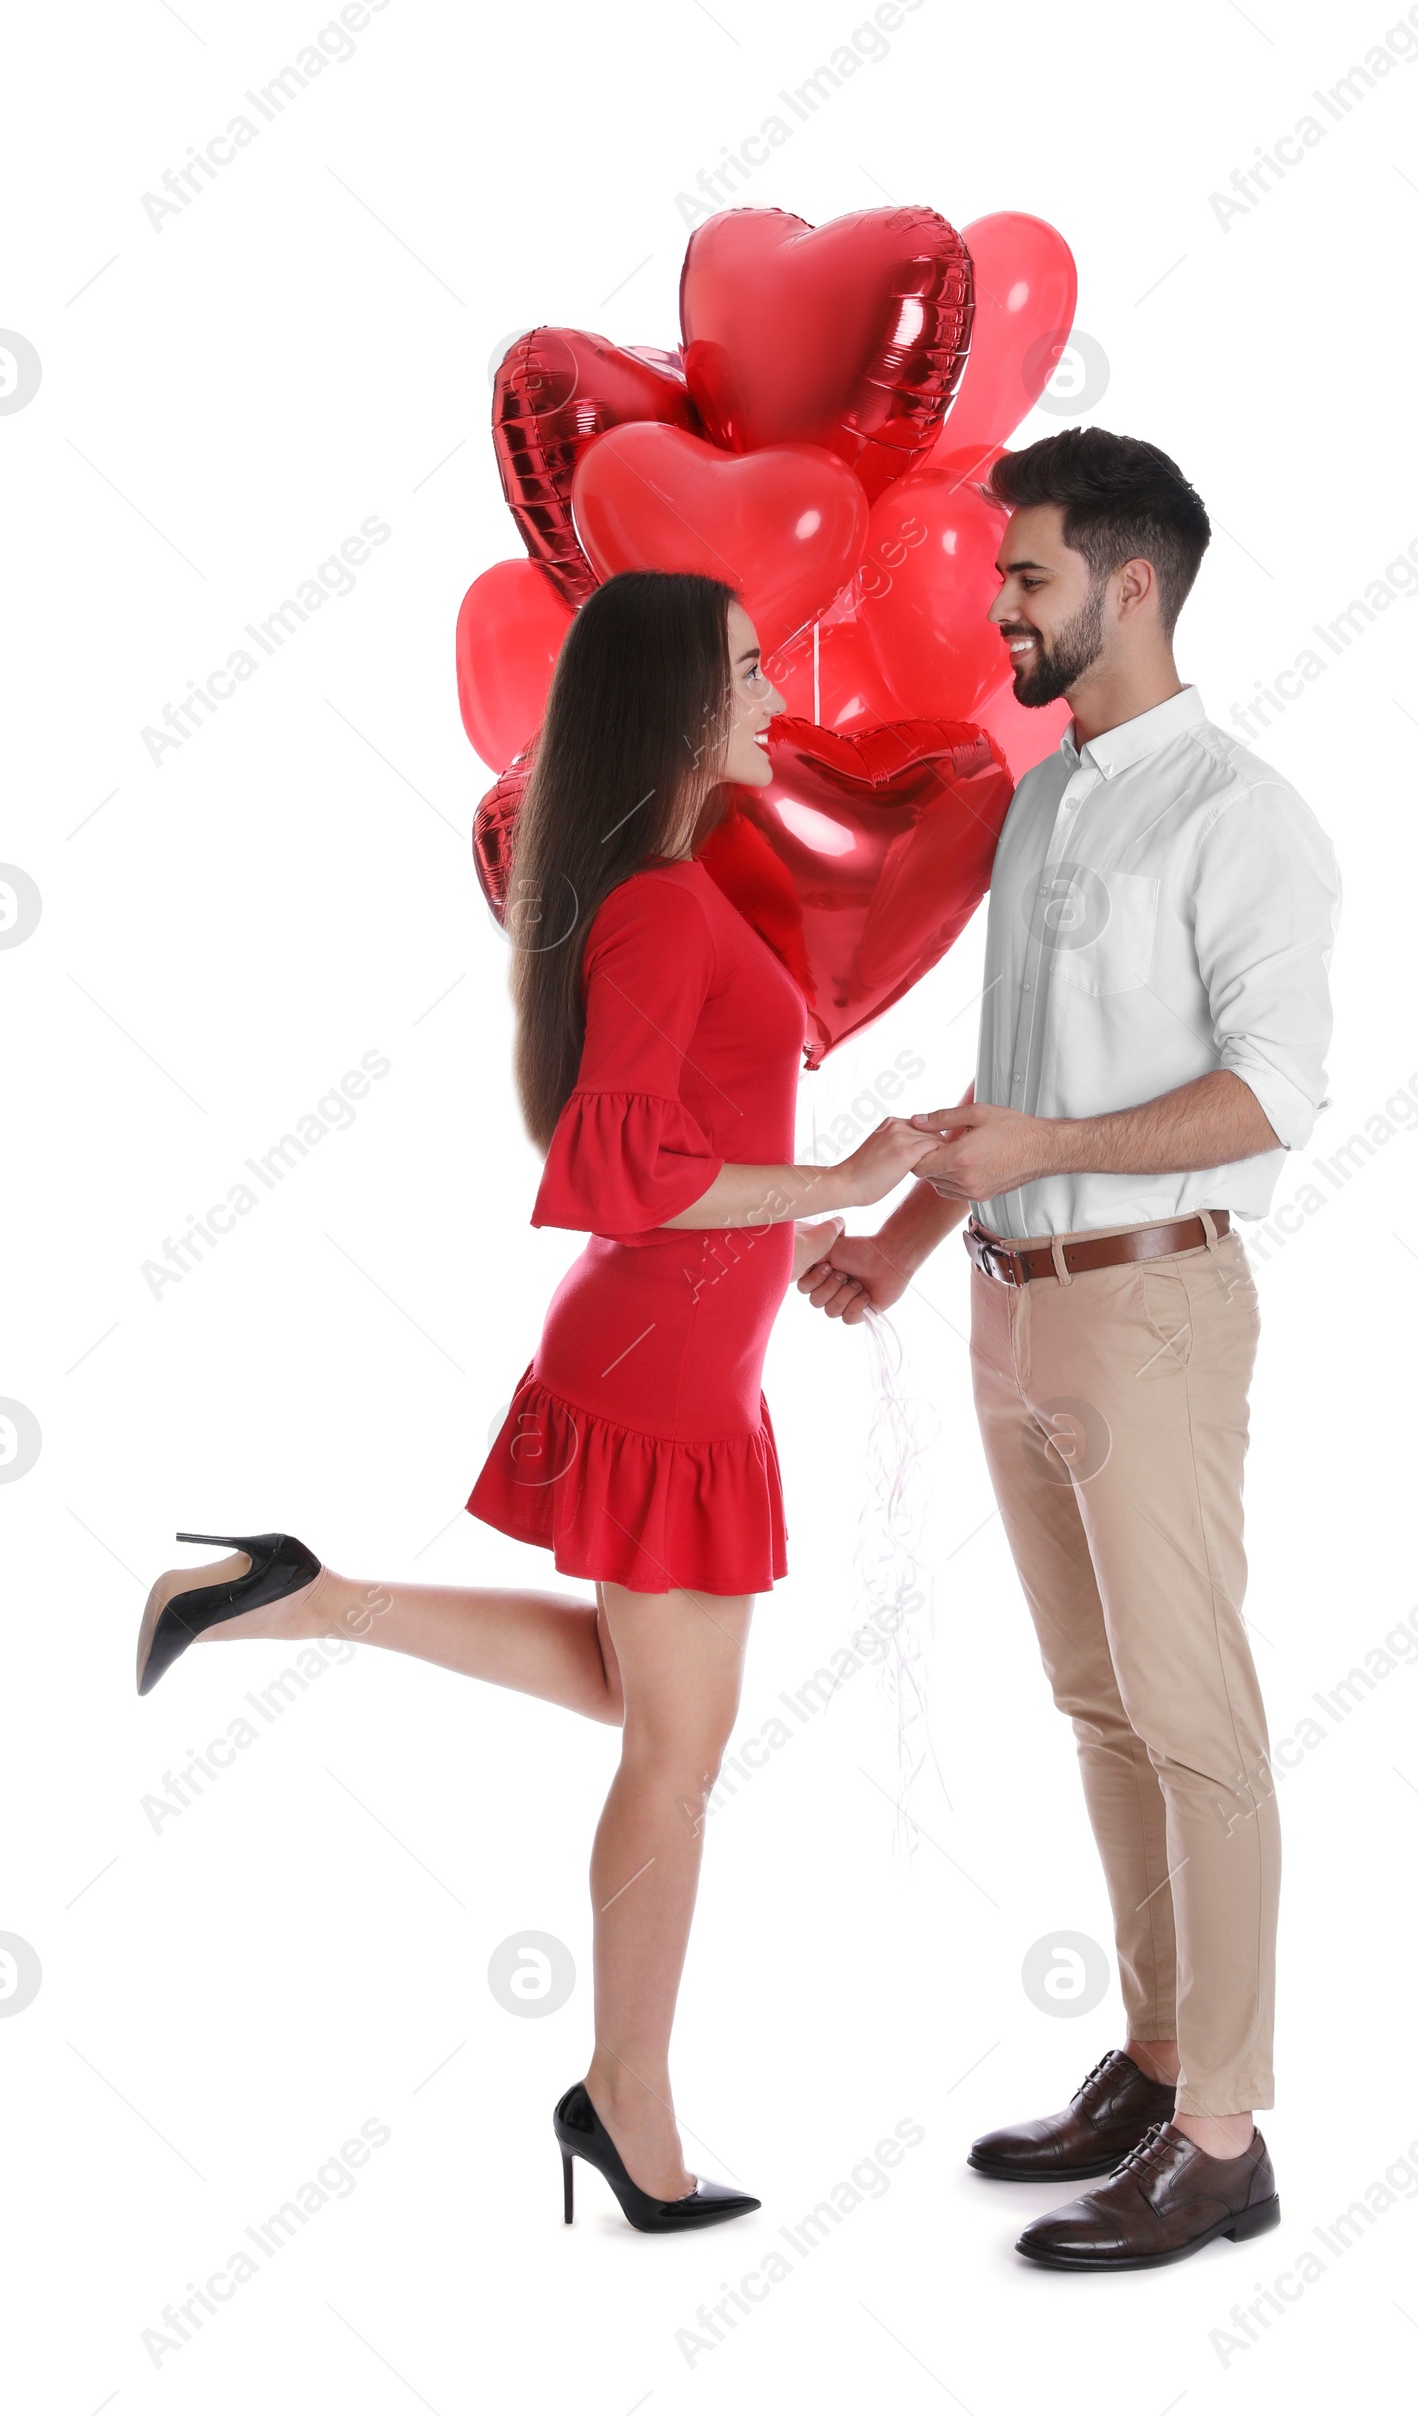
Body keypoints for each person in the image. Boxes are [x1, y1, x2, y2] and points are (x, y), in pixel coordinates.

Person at [135, 571, 935, 2235]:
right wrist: (838, 1170)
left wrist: (820, 1240)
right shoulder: (650, 902)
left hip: (694, 1348)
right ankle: (626, 2101)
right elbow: (618, 1170)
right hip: (655, 1357)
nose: (777, 699)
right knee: (676, 1755)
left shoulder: (677, 888)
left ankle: (286, 1592)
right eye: (745, 674)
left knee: (648, 1713)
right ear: (678, 706)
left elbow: (695, 1143)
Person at [800, 427, 1341, 2271]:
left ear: (1129, 587)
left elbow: (1271, 1098)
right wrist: (904, 1234)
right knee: (1101, 1708)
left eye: (1022, 578)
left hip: (1154, 1306)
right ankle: (1159, 2048)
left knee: (1197, 1721)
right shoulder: (1046, 799)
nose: (994, 606)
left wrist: (1037, 1161)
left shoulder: (1241, 816)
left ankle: (1226, 2138)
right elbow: (1019, 1092)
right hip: (1010, 1309)